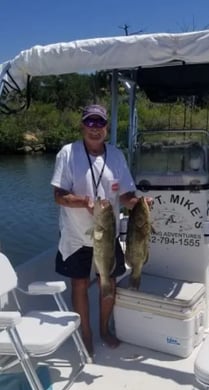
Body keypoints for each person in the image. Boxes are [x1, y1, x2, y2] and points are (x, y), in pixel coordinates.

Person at [51, 104, 144, 357]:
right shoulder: (68, 153)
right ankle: (86, 333)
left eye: (99, 123)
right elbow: (58, 195)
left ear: (106, 127)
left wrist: (139, 204)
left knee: (109, 281)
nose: (95, 129)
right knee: (79, 283)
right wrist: (84, 202)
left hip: (108, 232)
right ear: (82, 126)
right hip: (75, 234)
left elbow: (125, 195)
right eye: (90, 123)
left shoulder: (116, 155)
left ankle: (103, 329)